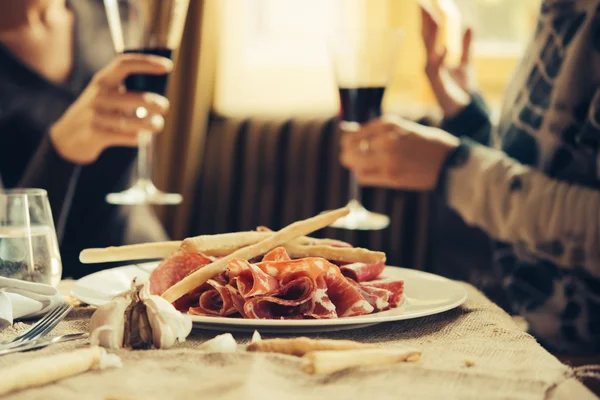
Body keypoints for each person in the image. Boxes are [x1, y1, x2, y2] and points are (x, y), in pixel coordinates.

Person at [341, 0, 600, 355]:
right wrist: (465, 116)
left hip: (579, 354)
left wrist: (454, 168)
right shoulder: (559, 11)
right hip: (529, 327)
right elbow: (543, 168)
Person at [0, 0, 171, 278]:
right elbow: (11, 262)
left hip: (141, 259)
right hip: (50, 285)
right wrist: (59, 149)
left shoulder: (116, 11)